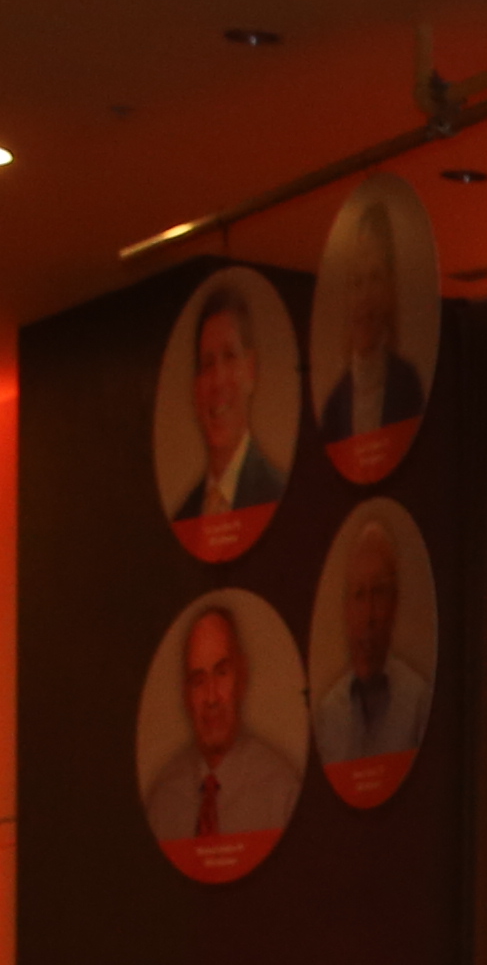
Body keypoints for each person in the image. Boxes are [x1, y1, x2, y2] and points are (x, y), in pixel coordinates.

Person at [141, 603, 301, 852]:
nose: (211, 697)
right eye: (198, 681)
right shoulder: (163, 803)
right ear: (186, 696)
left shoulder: (282, 794)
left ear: (242, 677)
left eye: (222, 673)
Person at [309, 512, 431, 776]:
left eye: (379, 593)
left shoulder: (418, 702)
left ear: (395, 603)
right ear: (346, 609)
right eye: (359, 595)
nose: (369, 616)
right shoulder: (328, 714)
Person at [165, 278, 284, 526]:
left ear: (250, 369)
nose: (218, 380)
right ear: (195, 388)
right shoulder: (184, 518)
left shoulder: (278, 497)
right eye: (208, 364)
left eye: (229, 356)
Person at [311, 228, 425, 458]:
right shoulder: (334, 407)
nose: (365, 297)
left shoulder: (408, 386)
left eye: (375, 278)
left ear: (389, 290)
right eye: (356, 283)